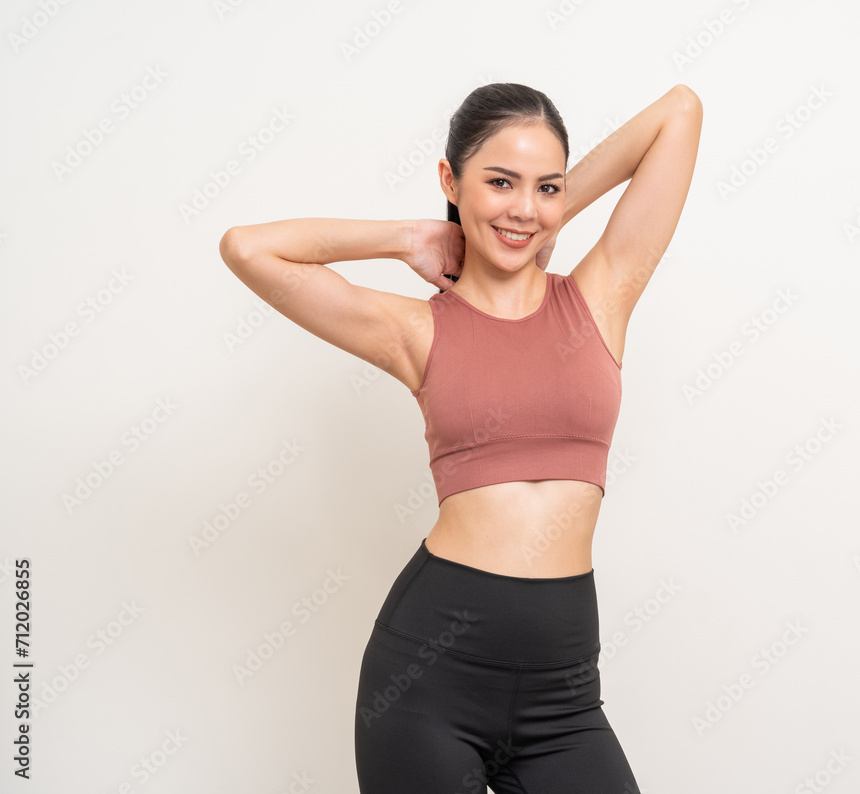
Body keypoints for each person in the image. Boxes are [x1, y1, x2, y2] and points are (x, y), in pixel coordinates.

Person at [219, 81, 701, 793]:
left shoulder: (600, 299)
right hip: (428, 682)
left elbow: (679, 112)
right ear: (451, 180)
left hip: (564, 694)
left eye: (547, 187)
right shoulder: (417, 331)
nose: (522, 206)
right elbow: (248, 248)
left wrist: (548, 217)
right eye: (499, 182)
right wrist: (406, 237)